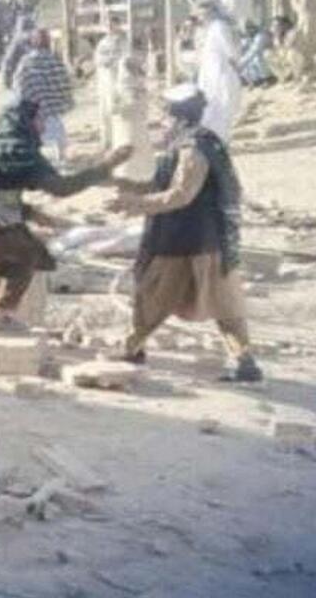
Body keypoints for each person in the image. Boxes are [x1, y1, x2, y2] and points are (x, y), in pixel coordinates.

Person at [0, 99, 131, 332]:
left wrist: (40, 216)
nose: (43, 126)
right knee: (29, 252)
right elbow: (62, 187)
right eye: (40, 120)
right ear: (27, 122)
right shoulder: (20, 149)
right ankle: (0, 315)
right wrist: (105, 166)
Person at [107, 84, 262, 383]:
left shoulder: (194, 149)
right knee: (223, 304)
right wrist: (126, 188)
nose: (161, 121)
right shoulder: (199, 142)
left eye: (165, 115)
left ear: (177, 117)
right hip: (204, 238)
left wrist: (135, 204)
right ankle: (244, 361)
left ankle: (133, 349)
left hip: (184, 239)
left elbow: (181, 194)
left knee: (154, 295)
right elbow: (162, 184)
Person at [12, 29, 73, 162]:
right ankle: (61, 156)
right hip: (53, 109)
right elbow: (64, 82)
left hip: (35, 109)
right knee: (57, 133)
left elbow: (19, 84)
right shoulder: (56, 62)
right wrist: (62, 98)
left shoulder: (26, 61)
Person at [195, 0, 241, 142]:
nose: (201, 17)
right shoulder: (209, 29)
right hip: (210, 71)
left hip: (220, 70)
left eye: (204, 14)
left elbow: (230, 50)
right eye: (200, 14)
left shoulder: (219, 27)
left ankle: (221, 138)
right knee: (210, 104)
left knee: (222, 103)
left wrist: (235, 63)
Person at [111, 54, 154, 181]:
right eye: (132, 67)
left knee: (139, 151)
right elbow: (115, 109)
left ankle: (140, 177)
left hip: (138, 126)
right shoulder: (120, 87)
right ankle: (127, 176)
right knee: (128, 151)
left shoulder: (140, 84)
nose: (135, 70)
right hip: (126, 127)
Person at [94, 28, 127, 151]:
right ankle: (106, 140)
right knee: (105, 113)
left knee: (115, 112)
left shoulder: (123, 43)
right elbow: (98, 60)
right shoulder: (103, 43)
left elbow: (124, 61)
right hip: (105, 83)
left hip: (116, 83)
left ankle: (115, 141)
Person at [0, 16, 36, 90]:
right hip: (20, 79)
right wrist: (7, 82)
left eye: (31, 30)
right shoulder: (16, 44)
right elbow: (7, 64)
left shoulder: (35, 42)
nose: (30, 33)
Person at [238, 22, 276, 88]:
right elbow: (248, 49)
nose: (248, 32)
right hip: (261, 53)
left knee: (256, 59)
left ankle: (268, 78)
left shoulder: (260, 35)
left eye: (249, 29)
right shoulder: (251, 37)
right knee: (250, 60)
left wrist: (242, 63)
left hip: (271, 53)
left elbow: (254, 50)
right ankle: (257, 80)